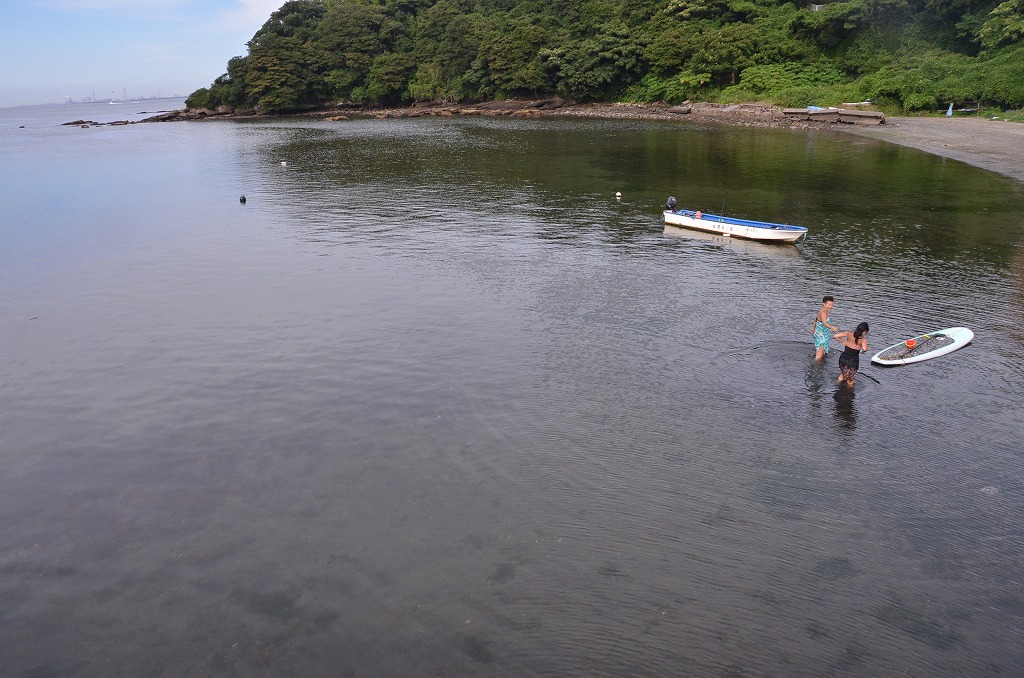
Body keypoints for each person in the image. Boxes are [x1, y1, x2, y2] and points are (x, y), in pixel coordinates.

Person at [834, 322, 869, 386]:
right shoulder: (863, 340)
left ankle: (837, 386)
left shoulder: (848, 333)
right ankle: (848, 393)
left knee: (842, 374)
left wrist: (843, 342)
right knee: (850, 380)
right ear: (864, 331)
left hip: (843, 358)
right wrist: (862, 351)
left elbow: (836, 336)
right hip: (853, 361)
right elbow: (864, 349)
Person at [811, 295, 838, 360]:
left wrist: (813, 327)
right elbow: (824, 323)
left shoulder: (825, 310)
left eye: (832, 305)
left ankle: (817, 366)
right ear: (824, 304)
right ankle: (814, 367)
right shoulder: (823, 312)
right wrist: (832, 327)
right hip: (821, 335)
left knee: (822, 354)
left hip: (823, 333)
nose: (830, 307)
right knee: (818, 357)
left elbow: (816, 319)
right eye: (829, 305)